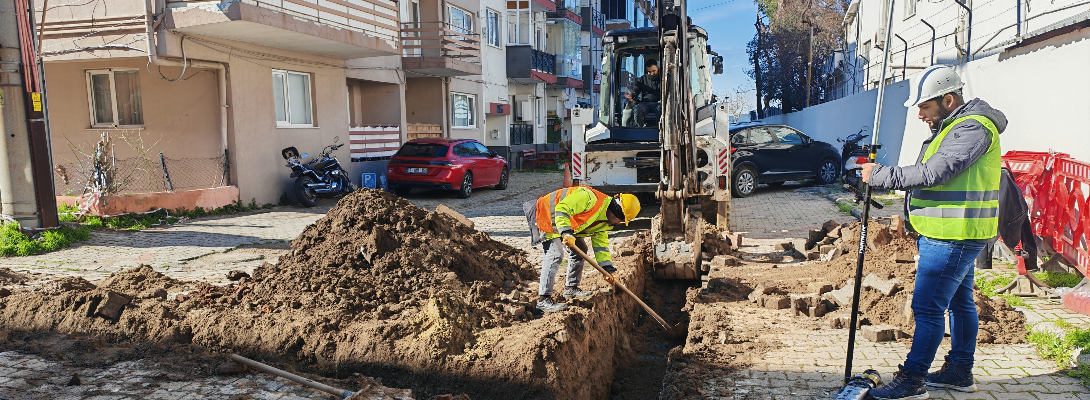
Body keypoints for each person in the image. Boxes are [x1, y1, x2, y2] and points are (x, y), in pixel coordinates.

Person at [860, 65, 1006, 400]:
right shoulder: (957, 125)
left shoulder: (971, 128)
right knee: (960, 303)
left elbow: (935, 172)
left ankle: (912, 380)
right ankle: (958, 372)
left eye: (924, 107)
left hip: (953, 235)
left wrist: (881, 175)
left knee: (927, 307)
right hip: (956, 231)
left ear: (949, 99)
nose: (920, 115)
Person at [523, 186, 641, 312]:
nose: (619, 223)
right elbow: (562, 208)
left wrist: (607, 268)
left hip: (563, 223)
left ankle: (571, 288)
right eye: (621, 219)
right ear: (616, 212)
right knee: (555, 254)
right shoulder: (589, 198)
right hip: (545, 214)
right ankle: (543, 300)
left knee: (581, 249)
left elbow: (601, 247)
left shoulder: (604, 222)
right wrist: (566, 233)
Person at [630, 60, 661, 127]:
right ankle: (639, 129)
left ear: (658, 68)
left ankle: (659, 129)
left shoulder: (662, 79)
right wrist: (633, 94)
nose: (652, 74)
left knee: (661, 109)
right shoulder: (642, 79)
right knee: (638, 109)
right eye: (649, 72)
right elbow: (636, 89)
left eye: (654, 71)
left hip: (658, 103)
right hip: (645, 103)